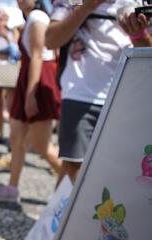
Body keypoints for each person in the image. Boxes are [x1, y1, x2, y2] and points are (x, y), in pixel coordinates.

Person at [45, 0, 143, 184]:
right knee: (73, 170)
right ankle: (63, 214)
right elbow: (50, 40)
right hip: (79, 95)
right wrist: (87, 7)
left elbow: (147, 51)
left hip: (124, 96)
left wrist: (138, 33)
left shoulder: (138, 1)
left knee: (120, 172)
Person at [0, 0, 62, 203]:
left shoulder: (38, 17)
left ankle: (72, 177)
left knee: (41, 145)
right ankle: (12, 187)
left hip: (37, 80)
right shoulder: (31, 19)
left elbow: (38, 56)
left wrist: (30, 94)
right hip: (28, 78)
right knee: (17, 137)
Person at [0, 8, 20, 146]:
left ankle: (13, 136)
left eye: (6, 17)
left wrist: (6, 37)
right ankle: (1, 134)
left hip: (8, 65)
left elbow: (17, 51)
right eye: (1, 17)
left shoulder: (13, 32)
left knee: (11, 104)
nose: (4, 20)